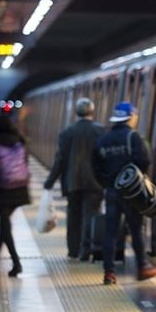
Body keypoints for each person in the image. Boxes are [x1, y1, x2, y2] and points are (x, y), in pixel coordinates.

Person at [92, 101, 156, 285]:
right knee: (136, 230)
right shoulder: (134, 137)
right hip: (132, 193)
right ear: (131, 117)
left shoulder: (102, 140)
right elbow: (145, 161)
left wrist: (107, 183)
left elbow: (95, 167)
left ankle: (109, 272)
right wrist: (137, 181)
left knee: (111, 231)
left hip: (112, 192)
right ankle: (142, 267)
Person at [44, 98, 106, 260]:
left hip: (73, 182)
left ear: (76, 113)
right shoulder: (100, 131)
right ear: (92, 112)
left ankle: (73, 250)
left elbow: (60, 160)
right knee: (91, 215)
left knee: (73, 217)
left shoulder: (67, 132)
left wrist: (50, 182)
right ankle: (86, 251)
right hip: (95, 182)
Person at [0, 115, 31, 277]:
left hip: (0, 189)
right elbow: (26, 163)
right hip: (18, 188)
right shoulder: (19, 140)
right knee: (4, 224)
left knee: (5, 225)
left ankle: (16, 263)